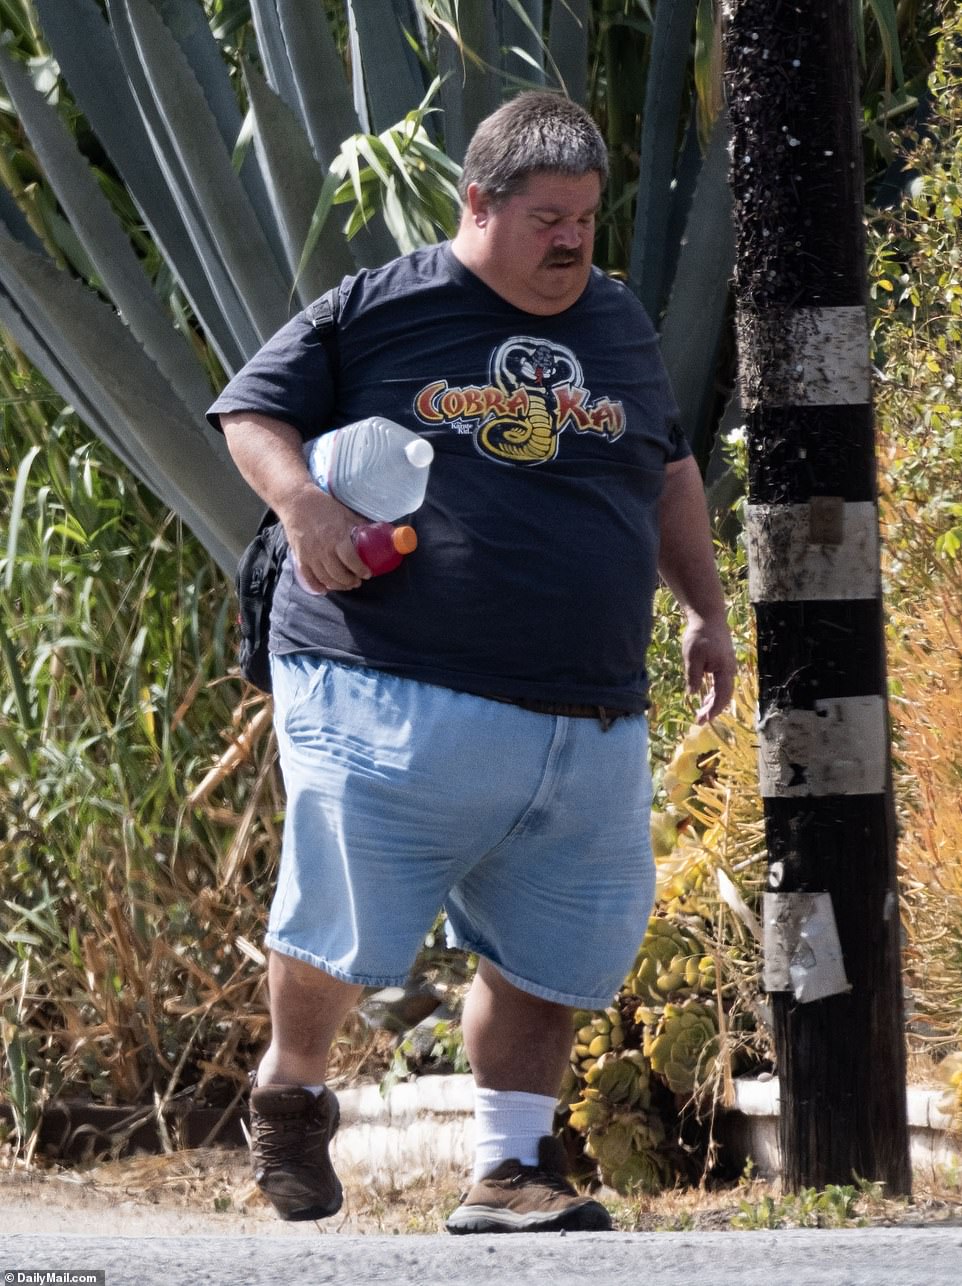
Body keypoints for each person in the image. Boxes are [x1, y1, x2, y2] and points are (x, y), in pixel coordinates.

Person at [208, 90, 735, 1235]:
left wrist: (702, 606)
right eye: (547, 217)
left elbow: (668, 470)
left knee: (558, 948)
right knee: (342, 920)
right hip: (381, 674)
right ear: (478, 202)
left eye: (587, 220)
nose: (569, 242)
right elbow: (251, 412)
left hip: (585, 705)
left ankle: (507, 1170)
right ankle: (291, 1091)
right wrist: (301, 506)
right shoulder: (379, 307)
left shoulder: (617, 323)